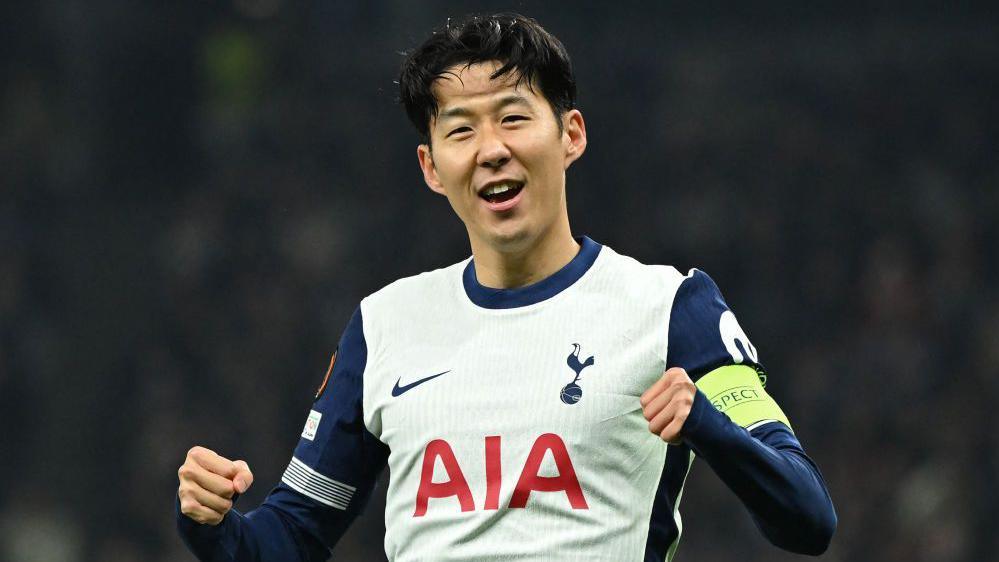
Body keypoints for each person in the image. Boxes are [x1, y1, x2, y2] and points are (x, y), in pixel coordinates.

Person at [176, 12, 836, 561]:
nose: (490, 148)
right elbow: (288, 538)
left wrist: (707, 425)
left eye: (513, 117)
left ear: (569, 135)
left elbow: (807, 517)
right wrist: (211, 526)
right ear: (431, 167)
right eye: (461, 128)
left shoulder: (668, 308)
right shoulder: (384, 327)